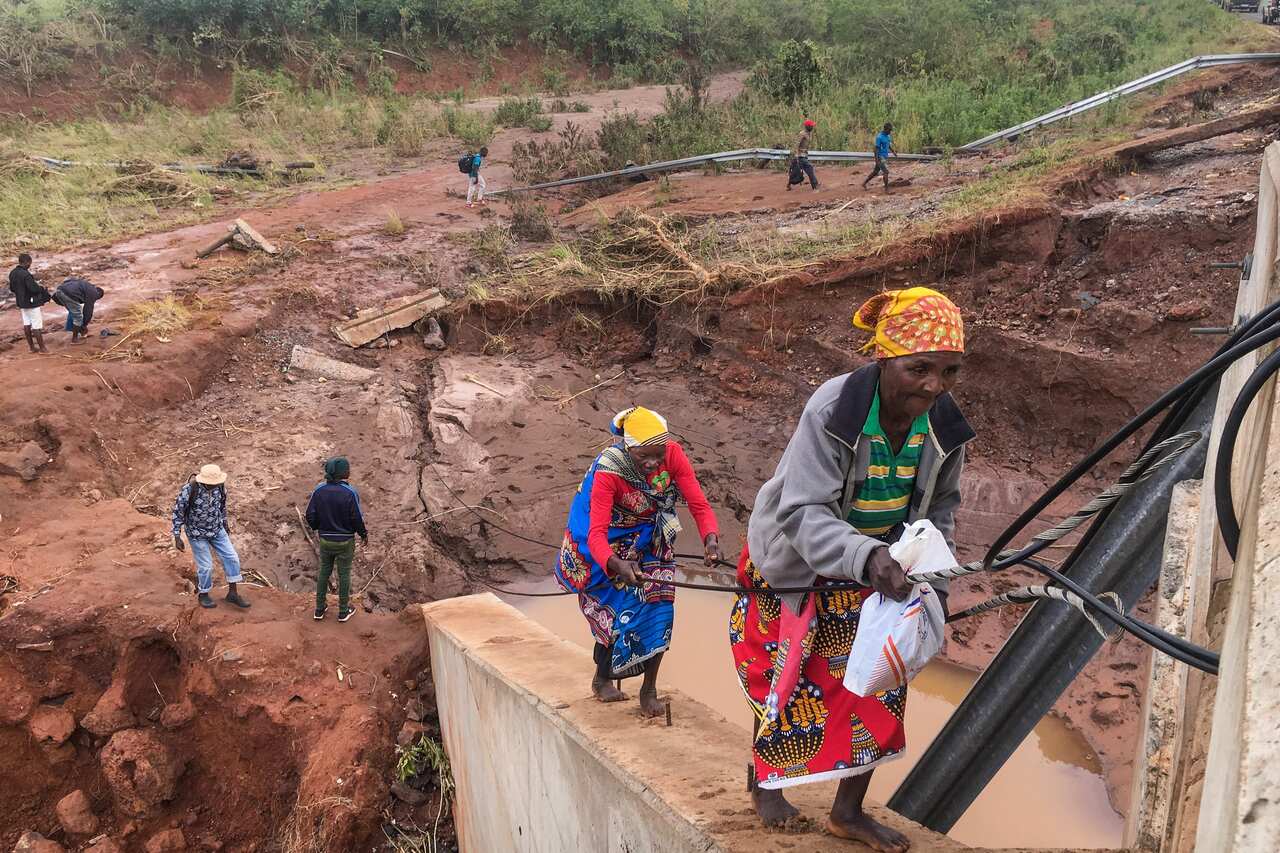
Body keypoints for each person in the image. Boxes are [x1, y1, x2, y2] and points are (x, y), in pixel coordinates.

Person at [730, 286, 971, 852]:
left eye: (949, 371)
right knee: (787, 681)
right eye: (920, 369)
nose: (934, 385)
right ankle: (764, 781)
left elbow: (941, 509)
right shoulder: (834, 411)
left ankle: (848, 811)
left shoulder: (944, 425)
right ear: (885, 357)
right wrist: (866, 556)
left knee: (879, 684)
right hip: (798, 565)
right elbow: (802, 510)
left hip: (880, 571)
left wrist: (934, 577)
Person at [555, 406, 721, 716]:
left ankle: (649, 689)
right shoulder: (610, 470)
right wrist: (616, 564)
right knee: (620, 608)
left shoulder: (672, 454)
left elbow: (698, 503)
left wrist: (710, 538)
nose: (654, 463)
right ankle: (602, 677)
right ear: (629, 448)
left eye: (659, 455)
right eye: (645, 456)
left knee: (660, 605)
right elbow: (596, 534)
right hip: (609, 540)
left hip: (651, 535)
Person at [171, 464, 252, 610]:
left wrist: (225, 524)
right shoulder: (189, 490)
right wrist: (177, 535)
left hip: (217, 529)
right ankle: (203, 594)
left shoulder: (220, 488)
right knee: (206, 566)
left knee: (232, 557)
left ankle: (233, 593)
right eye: (210, 484)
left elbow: (222, 507)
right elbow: (178, 512)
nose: (213, 486)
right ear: (202, 481)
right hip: (197, 533)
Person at [306, 456, 367, 623]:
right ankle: (343, 610)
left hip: (325, 539)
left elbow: (309, 514)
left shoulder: (319, 490)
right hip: (345, 541)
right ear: (343, 473)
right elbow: (356, 518)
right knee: (344, 573)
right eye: (347, 469)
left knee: (324, 571)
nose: (350, 471)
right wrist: (363, 534)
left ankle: (319, 608)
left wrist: (318, 527)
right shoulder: (350, 492)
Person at [8, 253, 49, 354]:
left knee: (27, 324)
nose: (30, 265)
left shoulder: (12, 273)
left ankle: (32, 348)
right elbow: (33, 289)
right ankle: (43, 349)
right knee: (36, 325)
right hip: (31, 303)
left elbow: (12, 289)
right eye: (29, 263)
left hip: (21, 303)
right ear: (26, 262)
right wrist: (41, 288)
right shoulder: (26, 274)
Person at [53, 277, 105, 344]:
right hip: (68, 294)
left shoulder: (87, 286)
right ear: (98, 295)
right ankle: (74, 340)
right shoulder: (94, 293)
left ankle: (77, 331)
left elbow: (69, 280)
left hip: (59, 291)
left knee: (74, 312)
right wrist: (84, 325)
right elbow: (88, 311)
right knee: (78, 317)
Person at [863, 123, 896, 193]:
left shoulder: (888, 136)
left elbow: (888, 145)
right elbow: (876, 149)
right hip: (880, 157)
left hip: (884, 157)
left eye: (891, 130)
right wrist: (877, 160)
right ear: (885, 129)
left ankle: (864, 183)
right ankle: (887, 189)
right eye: (889, 130)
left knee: (875, 172)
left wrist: (893, 151)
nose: (890, 132)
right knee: (886, 172)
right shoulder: (879, 137)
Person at [787, 119, 819, 192]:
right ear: (807, 126)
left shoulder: (808, 133)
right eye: (811, 126)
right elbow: (796, 144)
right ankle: (815, 186)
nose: (812, 127)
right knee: (810, 168)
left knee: (795, 171)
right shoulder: (802, 134)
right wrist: (796, 155)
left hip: (804, 155)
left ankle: (788, 185)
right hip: (800, 156)